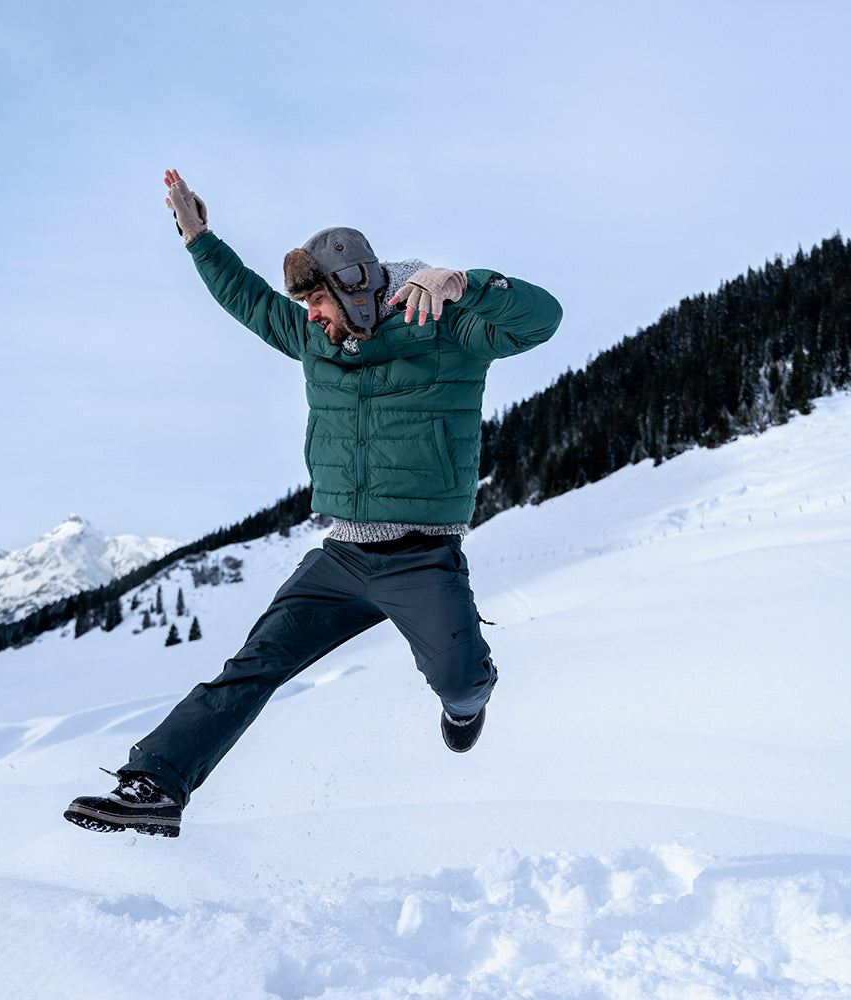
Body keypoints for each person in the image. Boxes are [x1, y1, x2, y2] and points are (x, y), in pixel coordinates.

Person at [64, 169, 562, 838]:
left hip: (423, 560)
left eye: (317, 301)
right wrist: (197, 237)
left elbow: (543, 319)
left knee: (460, 682)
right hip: (340, 560)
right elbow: (246, 299)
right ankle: (156, 784)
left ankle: (469, 701)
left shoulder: (448, 329)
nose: (309, 316)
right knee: (253, 667)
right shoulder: (313, 340)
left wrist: (466, 282)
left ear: (357, 290)